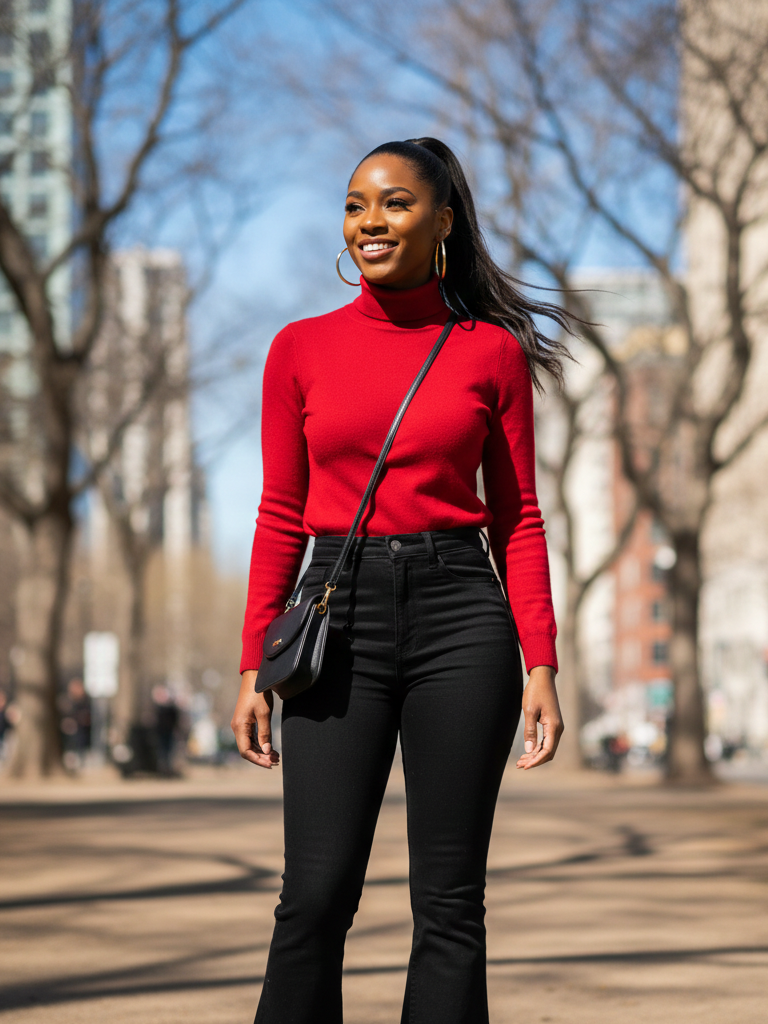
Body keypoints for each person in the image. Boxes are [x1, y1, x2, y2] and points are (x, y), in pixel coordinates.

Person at [231, 138, 568, 1024]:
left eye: (394, 203)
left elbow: (519, 516)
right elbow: (278, 512)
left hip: (464, 616)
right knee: (314, 892)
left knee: (451, 904)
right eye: (354, 205)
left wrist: (542, 663)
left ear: (443, 221)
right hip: (338, 614)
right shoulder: (298, 349)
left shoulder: (489, 353)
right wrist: (250, 666)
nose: (370, 221)